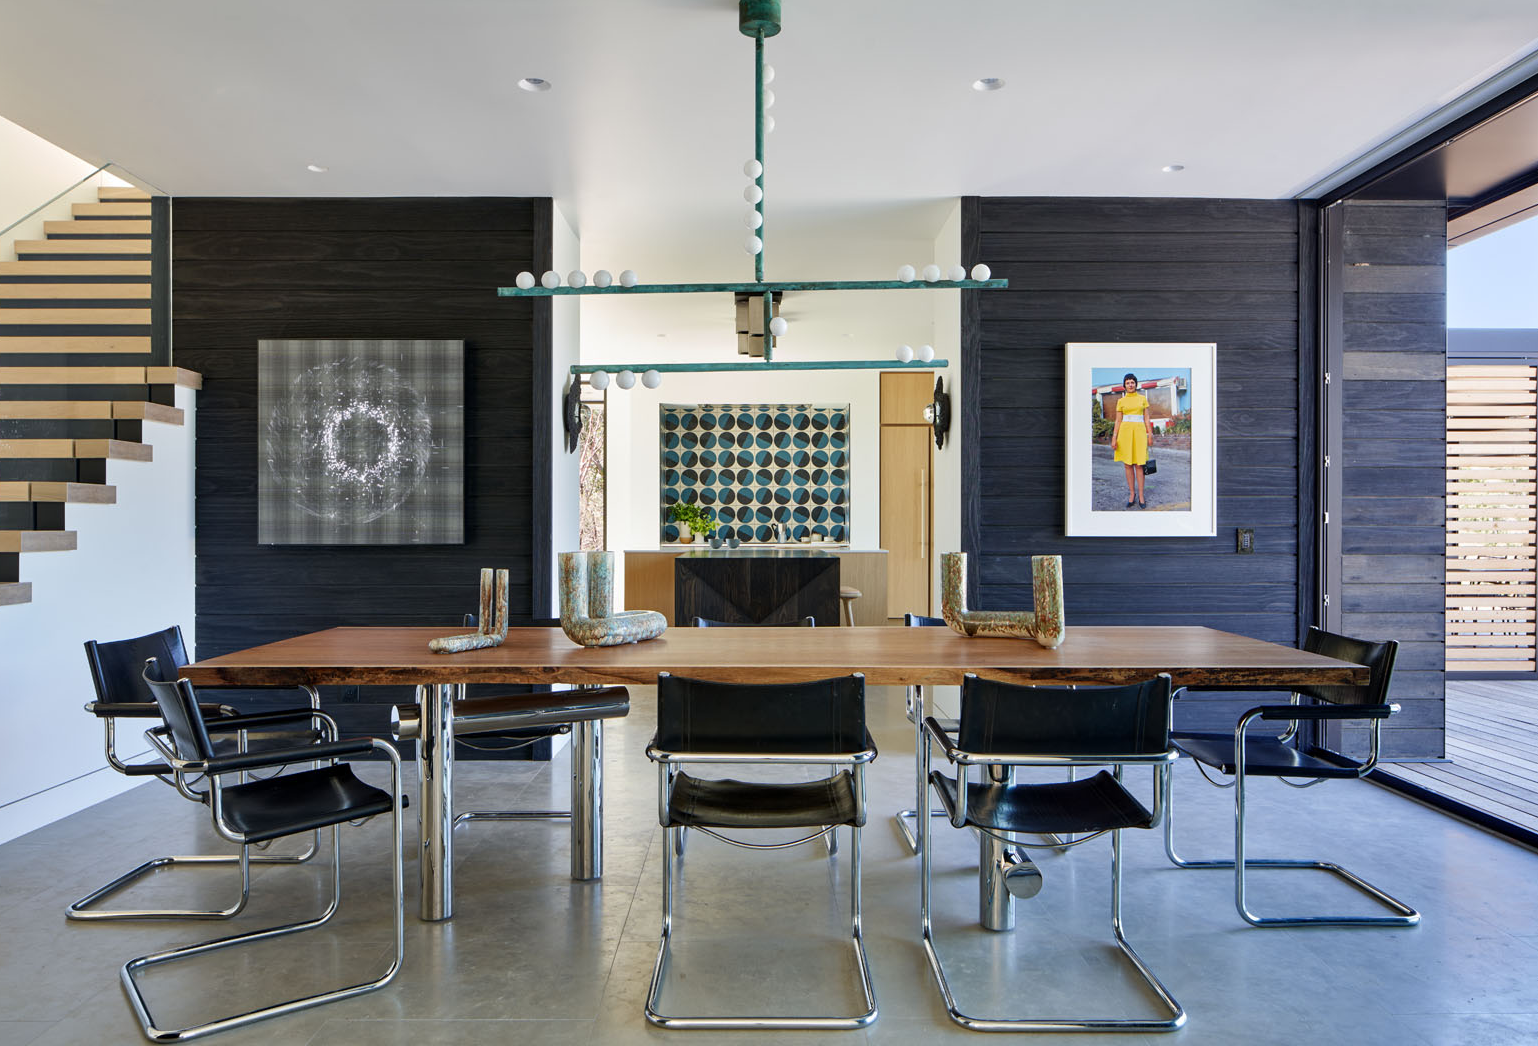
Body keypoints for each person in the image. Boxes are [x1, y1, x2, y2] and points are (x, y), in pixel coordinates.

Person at [1111, 373, 1153, 508]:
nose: (1130, 385)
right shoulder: (1121, 401)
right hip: (1125, 434)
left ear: (1136, 384)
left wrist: (1150, 434)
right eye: (1128, 382)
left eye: (1132, 382)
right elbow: (1118, 420)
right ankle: (1132, 494)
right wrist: (1114, 437)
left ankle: (1141, 495)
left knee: (1139, 465)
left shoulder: (1142, 399)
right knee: (1128, 465)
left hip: (1140, 433)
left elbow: (1146, 418)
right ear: (1124, 385)